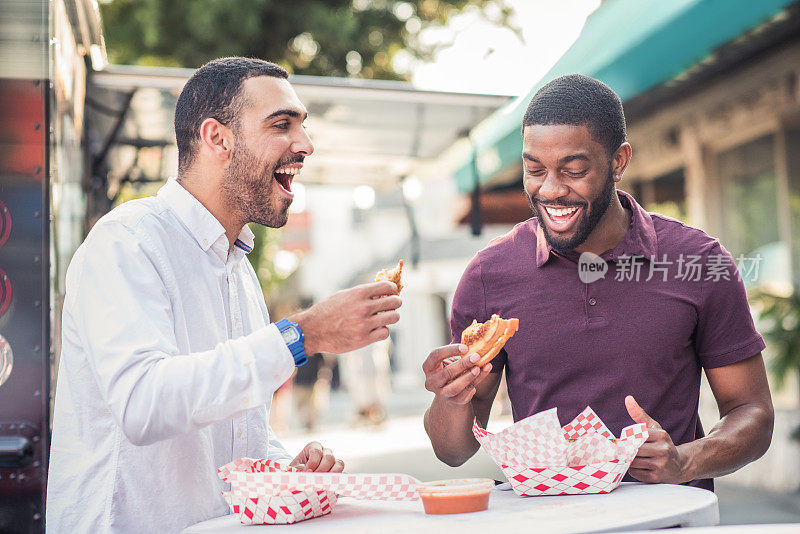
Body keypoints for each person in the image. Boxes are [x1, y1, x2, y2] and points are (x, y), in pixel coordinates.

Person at [46, 57, 402, 533]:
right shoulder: (127, 240)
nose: (305, 145)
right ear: (217, 138)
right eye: (282, 125)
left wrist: (284, 466)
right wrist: (301, 335)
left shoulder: (239, 269)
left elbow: (233, 427)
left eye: (303, 126)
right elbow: (142, 404)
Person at [423, 74, 773, 491]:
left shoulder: (698, 260)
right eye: (534, 169)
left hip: (669, 521)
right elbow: (453, 451)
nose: (550, 190)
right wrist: (449, 397)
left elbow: (752, 411)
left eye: (573, 170)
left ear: (619, 161)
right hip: (549, 521)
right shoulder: (488, 276)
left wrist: (687, 460)